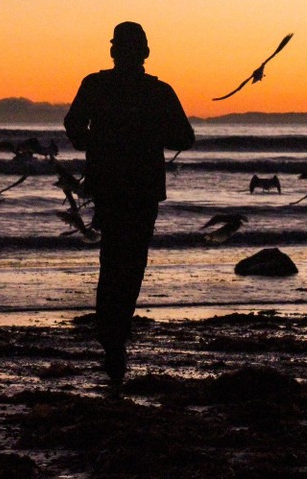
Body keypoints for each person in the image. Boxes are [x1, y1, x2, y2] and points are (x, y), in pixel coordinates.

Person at [64, 21, 195, 383]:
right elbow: (185, 137)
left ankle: (112, 339)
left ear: (113, 51)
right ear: (146, 53)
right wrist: (148, 134)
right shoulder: (158, 91)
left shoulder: (96, 85)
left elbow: (73, 125)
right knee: (131, 262)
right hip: (141, 188)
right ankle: (115, 337)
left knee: (113, 260)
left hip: (110, 186)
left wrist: (96, 144)